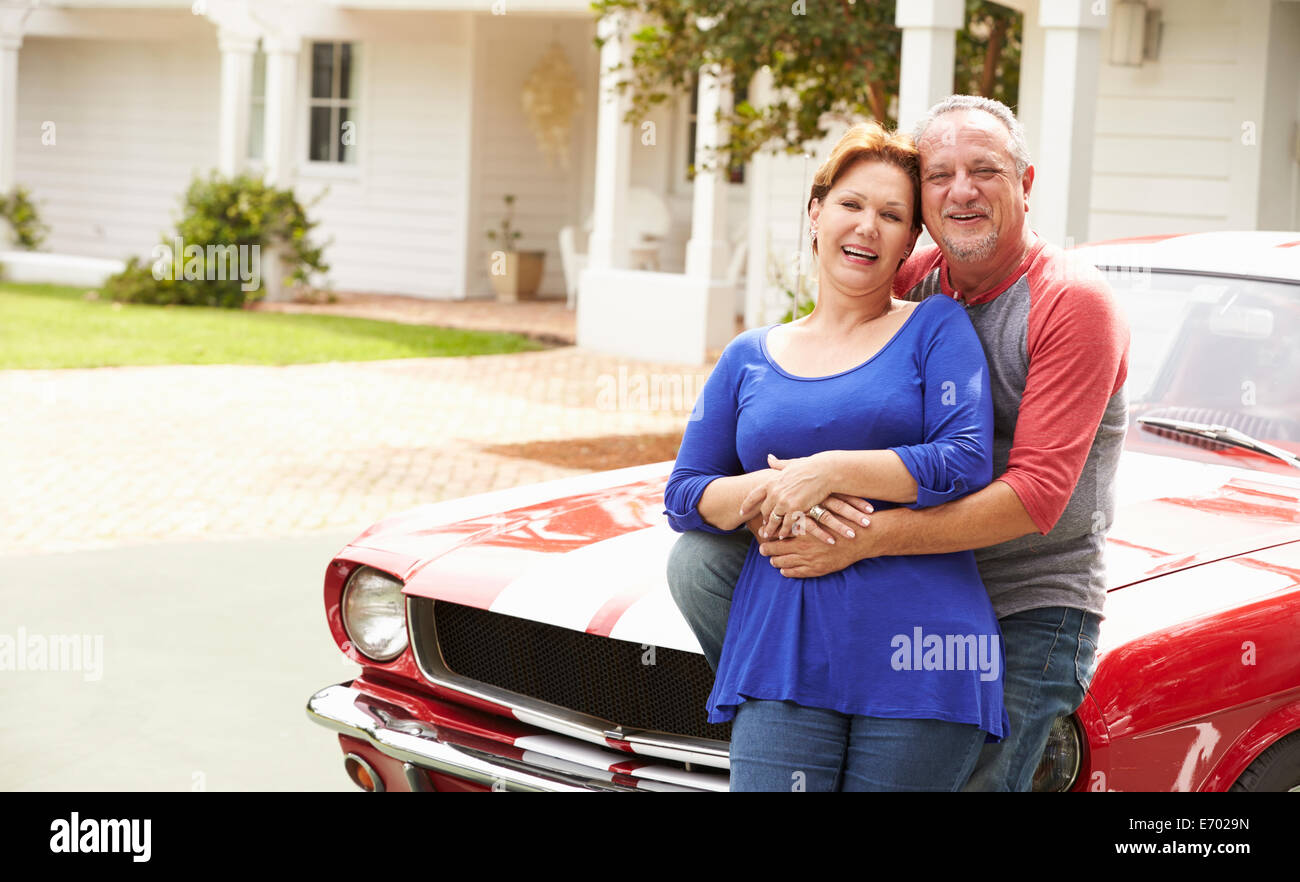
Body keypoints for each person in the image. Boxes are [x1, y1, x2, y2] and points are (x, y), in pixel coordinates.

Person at [667, 95, 1130, 792]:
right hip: (888, 578)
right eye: (940, 176)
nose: (962, 190)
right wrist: (774, 493)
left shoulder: (1070, 302)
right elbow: (698, 482)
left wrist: (856, 531)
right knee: (697, 562)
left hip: (1028, 595)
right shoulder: (913, 284)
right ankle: (773, 677)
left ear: (1025, 186)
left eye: (986, 171)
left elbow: (1032, 495)